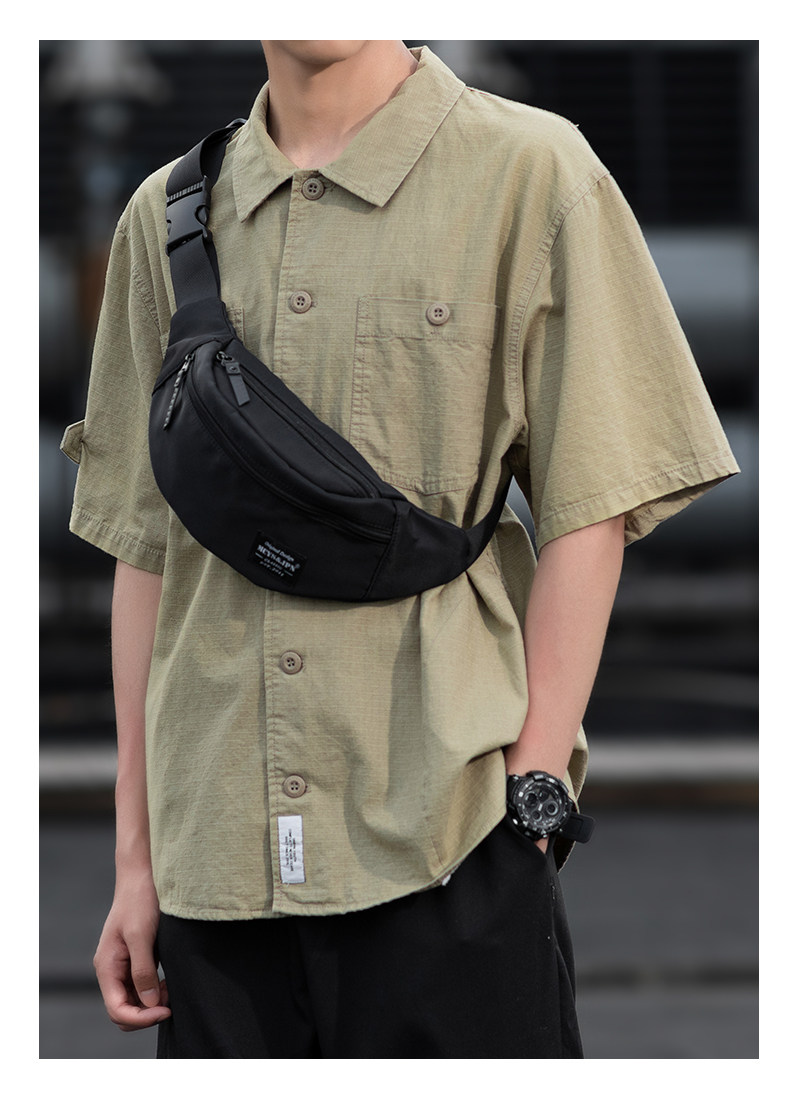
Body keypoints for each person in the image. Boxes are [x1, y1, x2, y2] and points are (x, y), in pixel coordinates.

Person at [61, 40, 739, 1058]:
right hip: (215, 861)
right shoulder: (164, 216)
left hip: (448, 833)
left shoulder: (531, 171)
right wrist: (137, 861)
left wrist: (533, 794)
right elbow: (147, 548)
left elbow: (591, 505)